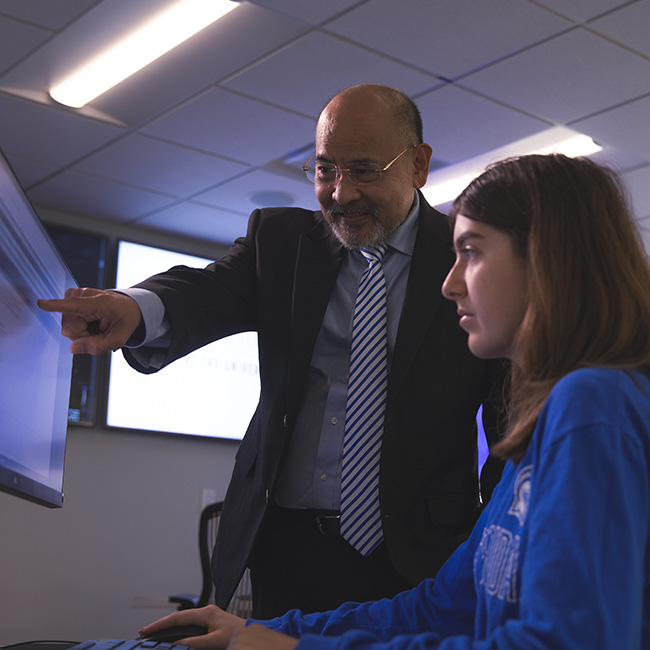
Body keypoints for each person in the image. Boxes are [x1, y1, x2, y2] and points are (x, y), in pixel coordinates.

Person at [138, 153, 650, 649]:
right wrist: (269, 633)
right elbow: (438, 606)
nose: (449, 284)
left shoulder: (593, 406)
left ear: (546, 259)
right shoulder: (545, 426)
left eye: (471, 252)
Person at [38, 84, 506, 618]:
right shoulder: (282, 242)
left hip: (417, 558)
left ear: (419, 165)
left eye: (364, 170)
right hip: (284, 547)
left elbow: (509, 430)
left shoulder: (471, 259)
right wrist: (135, 308)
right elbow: (207, 289)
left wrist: (491, 548)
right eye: (326, 169)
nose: (340, 193)